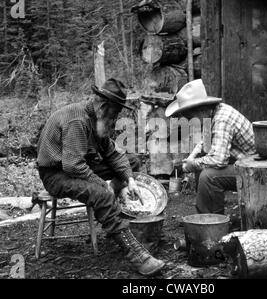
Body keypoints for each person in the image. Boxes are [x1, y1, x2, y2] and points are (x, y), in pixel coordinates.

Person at [37, 78, 165, 276]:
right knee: (101, 193)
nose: (115, 119)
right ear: (104, 107)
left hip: (78, 166)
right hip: (56, 174)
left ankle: (115, 221)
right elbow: (72, 166)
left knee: (131, 162)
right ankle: (135, 253)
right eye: (115, 113)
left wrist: (129, 180)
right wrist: (102, 185)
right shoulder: (77, 120)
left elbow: (113, 154)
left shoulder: (96, 118)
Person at [165, 79, 255, 215]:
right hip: (242, 163)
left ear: (200, 110)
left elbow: (219, 160)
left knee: (208, 176)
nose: (189, 120)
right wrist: (191, 158)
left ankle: (212, 222)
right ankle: (205, 213)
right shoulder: (212, 113)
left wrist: (192, 164)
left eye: (189, 116)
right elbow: (204, 140)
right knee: (202, 165)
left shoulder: (221, 119)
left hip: (255, 171)